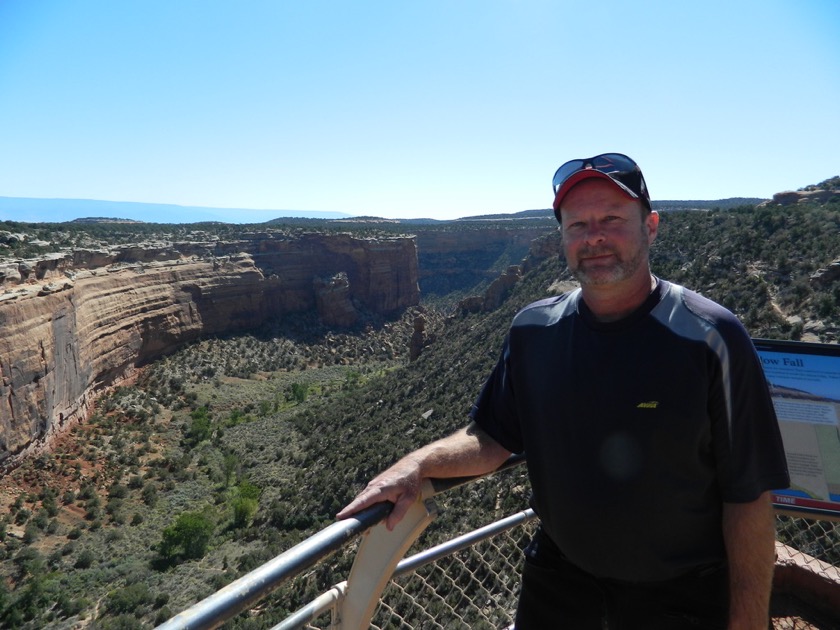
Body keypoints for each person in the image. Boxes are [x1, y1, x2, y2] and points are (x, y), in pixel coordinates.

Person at [338, 153, 790, 629]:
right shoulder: (534, 329)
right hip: (559, 583)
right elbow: (492, 436)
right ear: (562, 238)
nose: (594, 237)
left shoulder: (711, 337)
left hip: (680, 594)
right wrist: (417, 464)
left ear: (651, 227)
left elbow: (749, 498)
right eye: (577, 225)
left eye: (613, 219)